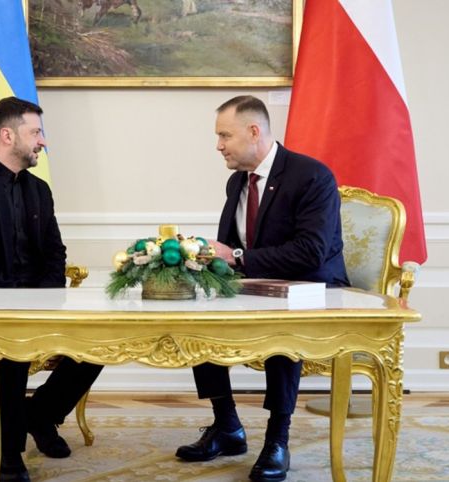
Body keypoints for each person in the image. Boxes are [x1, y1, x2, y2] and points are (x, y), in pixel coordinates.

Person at [175, 95, 349, 482]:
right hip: (258, 284)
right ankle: (227, 426)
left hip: (312, 289)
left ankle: (277, 440)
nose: (218, 145)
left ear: (254, 132)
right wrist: (201, 257)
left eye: (224, 135)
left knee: (283, 326)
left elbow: (311, 251)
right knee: (197, 317)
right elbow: (231, 248)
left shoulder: (312, 176)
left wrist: (237, 257)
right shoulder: (237, 182)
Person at [0, 97, 103, 482]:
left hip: (36, 300)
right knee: (9, 346)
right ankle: (9, 456)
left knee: (98, 341)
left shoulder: (39, 189)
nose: (43, 141)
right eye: (36, 132)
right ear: (7, 135)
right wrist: (16, 300)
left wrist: (44, 298)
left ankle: (40, 415)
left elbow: (54, 252)